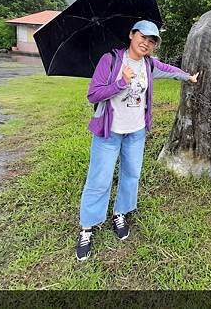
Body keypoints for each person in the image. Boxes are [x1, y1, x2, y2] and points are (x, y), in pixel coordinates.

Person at [76, 20, 199, 261]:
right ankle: (87, 228)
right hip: (108, 131)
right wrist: (121, 82)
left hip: (136, 131)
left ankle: (120, 213)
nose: (147, 43)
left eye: (152, 41)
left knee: (131, 174)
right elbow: (93, 94)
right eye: (143, 37)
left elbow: (170, 71)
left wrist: (188, 78)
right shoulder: (110, 60)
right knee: (99, 179)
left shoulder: (149, 64)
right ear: (131, 34)